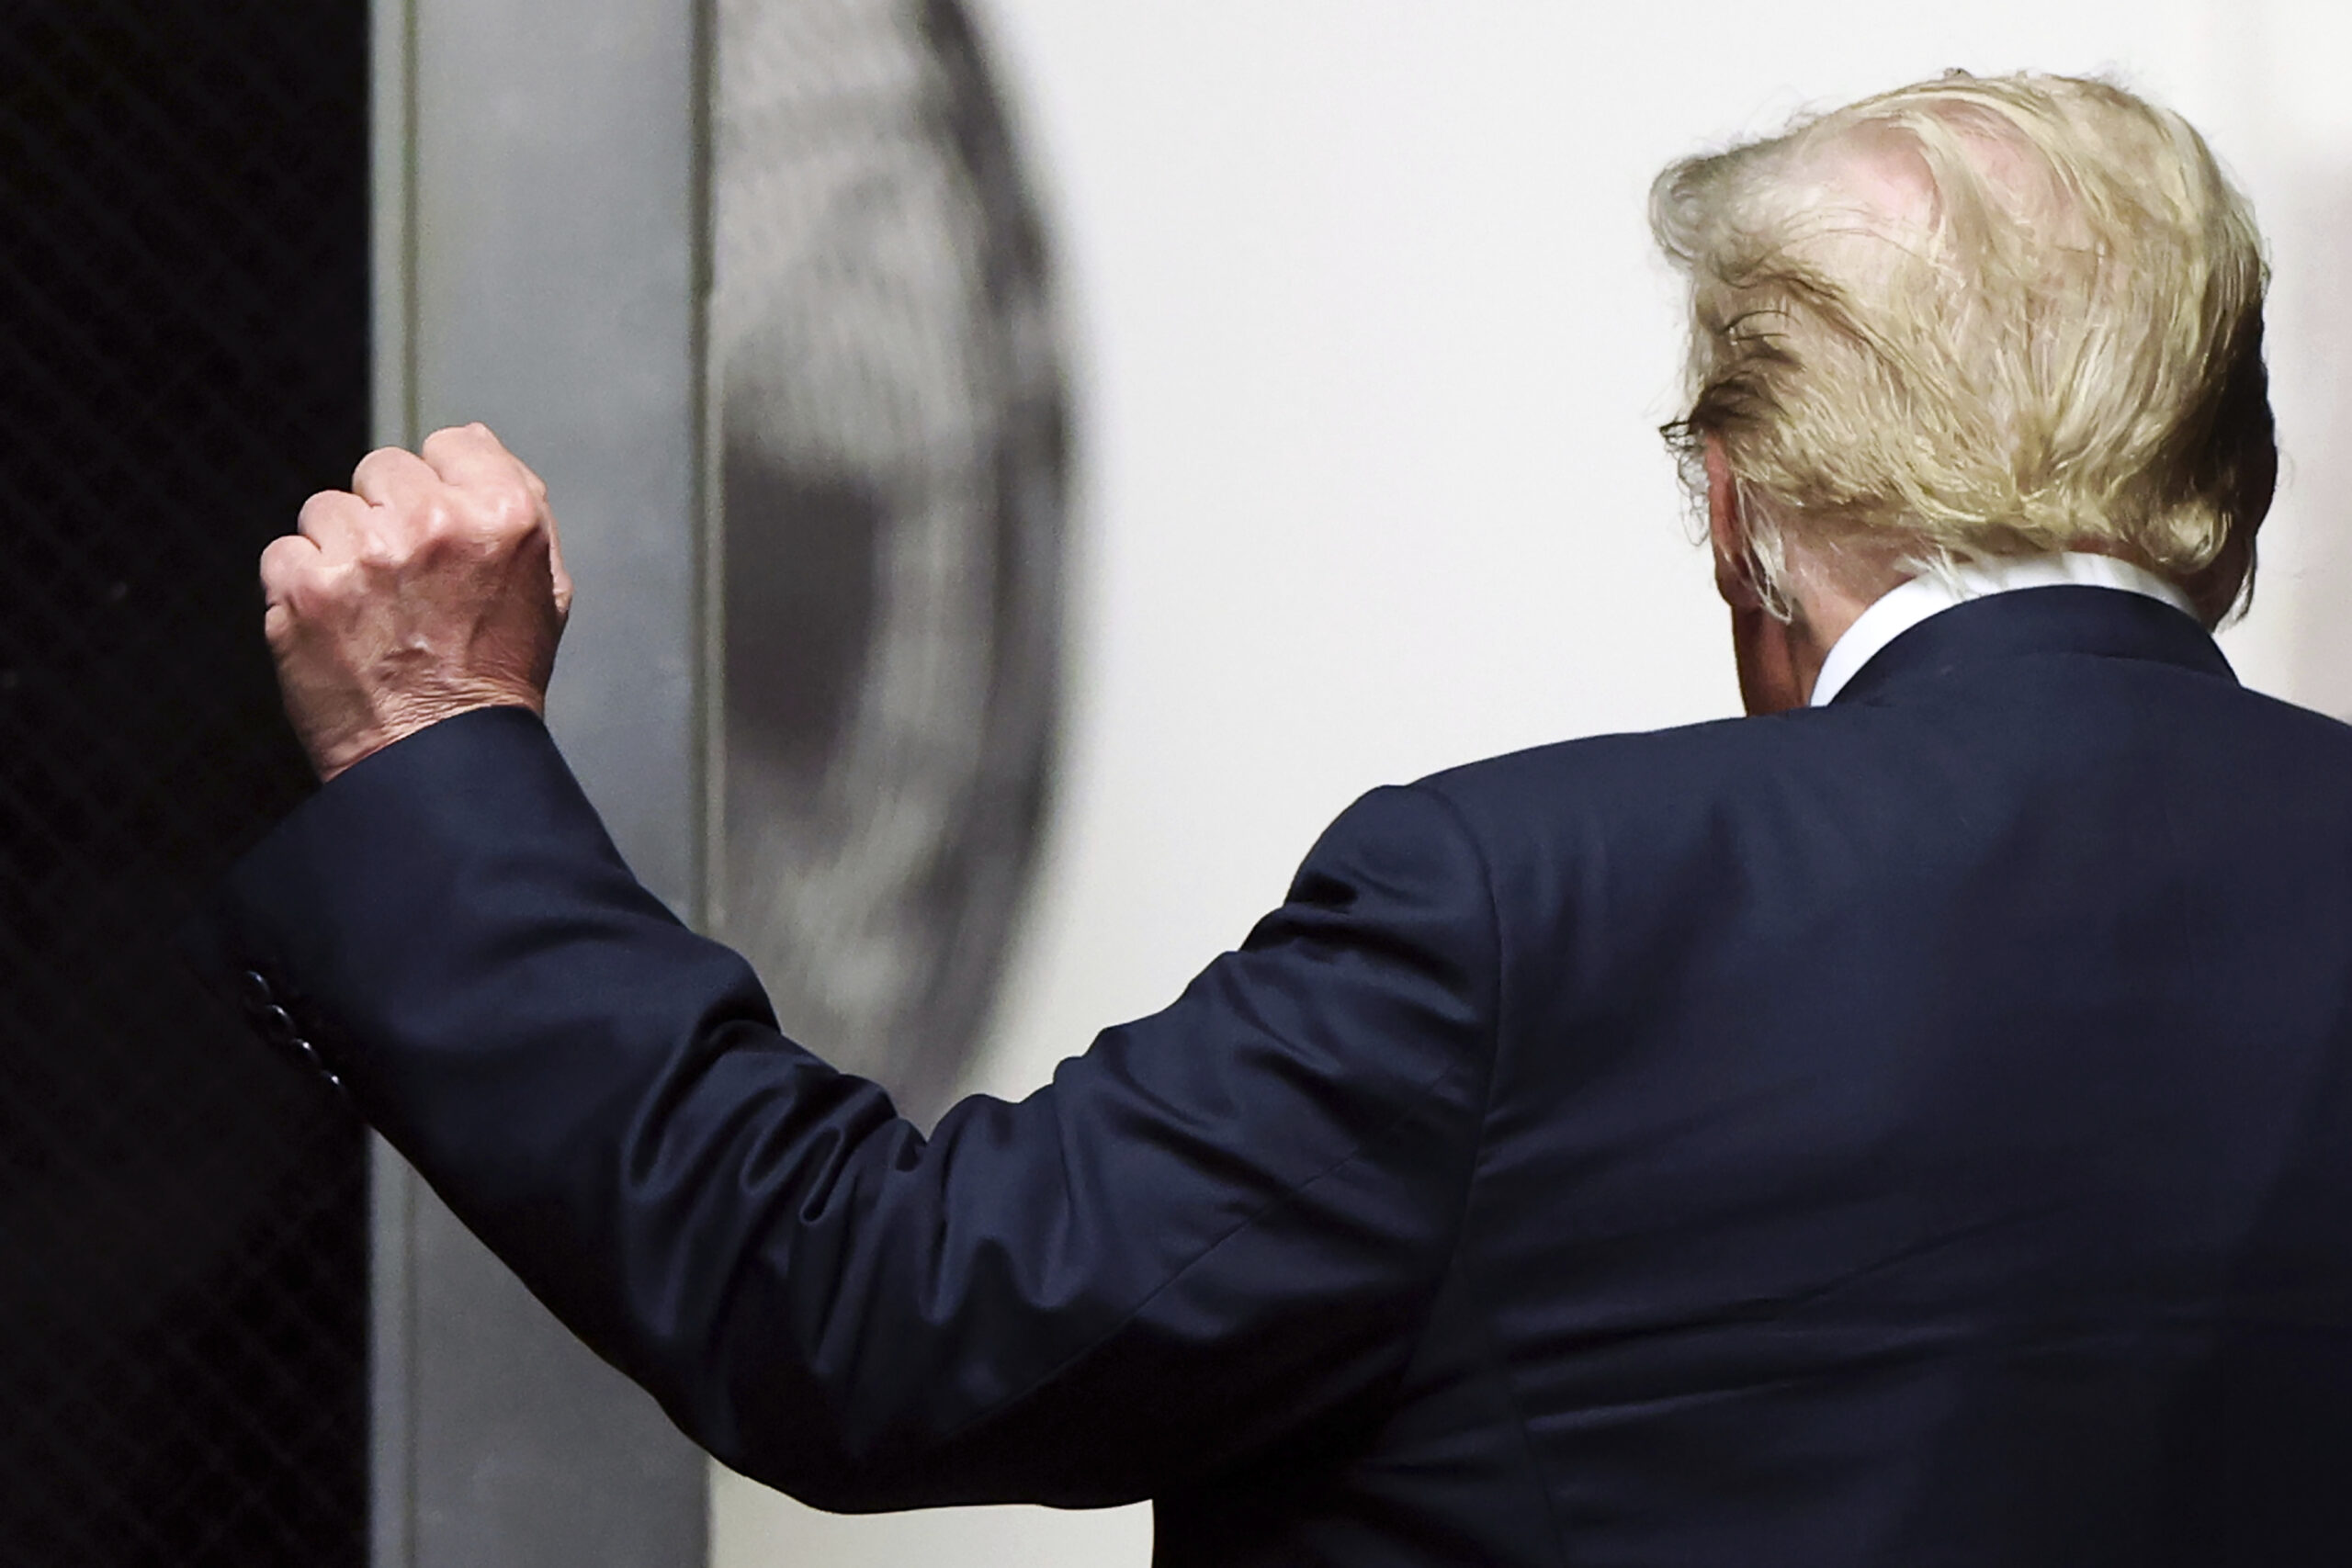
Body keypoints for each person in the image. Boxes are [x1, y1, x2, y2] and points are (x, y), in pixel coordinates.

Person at [189, 72, 2352, 1565]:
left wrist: (437, 746)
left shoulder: (1517, 909)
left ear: (1739, 500)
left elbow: (868, 1315)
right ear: (2216, 499)